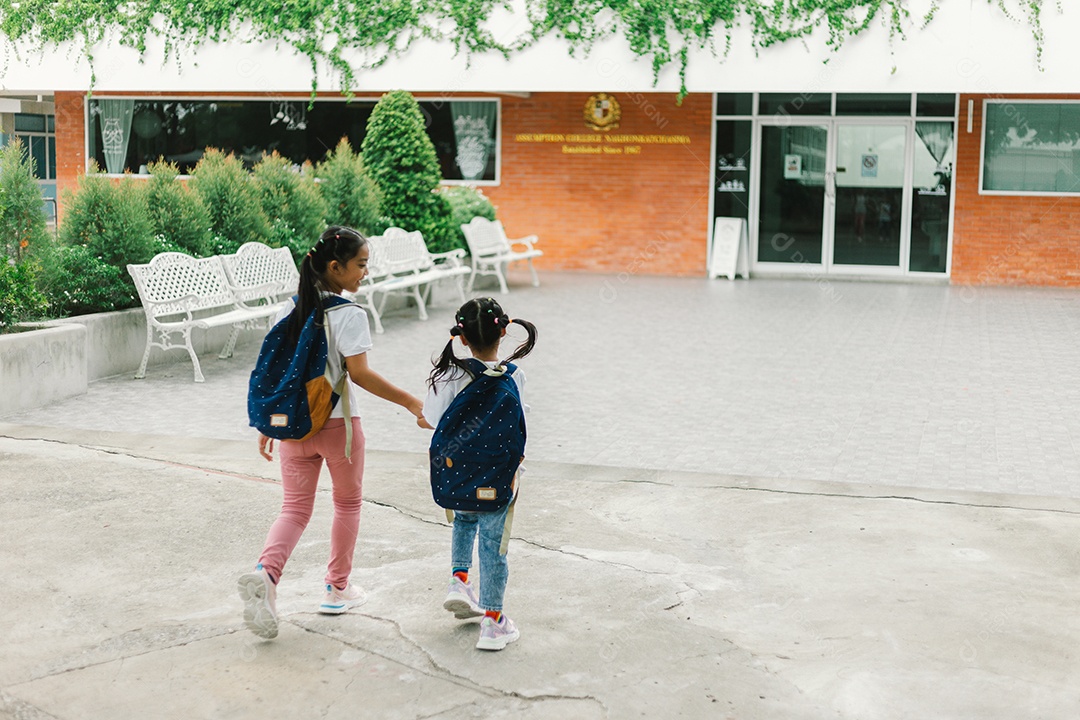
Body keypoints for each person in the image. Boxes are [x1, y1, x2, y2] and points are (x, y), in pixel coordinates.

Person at [238, 226, 426, 640]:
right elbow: (359, 375)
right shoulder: (349, 315)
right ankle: (337, 589)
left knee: (294, 510)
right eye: (360, 266)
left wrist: (270, 423)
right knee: (347, 504)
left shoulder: (285, 312)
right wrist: (411, 402)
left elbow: (278, 374)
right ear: (335, 267)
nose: (364, 274)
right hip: (338, 427)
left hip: (294, 428)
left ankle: (266, 576)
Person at [422, 297, 538, 651]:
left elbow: (430, 419)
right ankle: (493, 621)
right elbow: (521, 424)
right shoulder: (514, 376)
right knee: (493, 548)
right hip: (497, 480)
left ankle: (459, 580)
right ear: (504, 331)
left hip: (457, 476)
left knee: (463, 519)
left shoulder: (447, 373)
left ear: (461, 338)